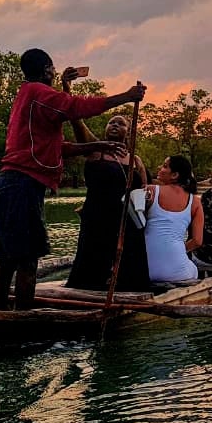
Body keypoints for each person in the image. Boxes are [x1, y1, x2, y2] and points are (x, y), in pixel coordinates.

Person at [0, 49, 145, 310]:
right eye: (53, 69)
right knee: (26, 259)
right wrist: (126, 97)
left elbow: (61, 147)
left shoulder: (29, 96)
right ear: (48, 69)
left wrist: (101, 145)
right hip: (21, 184)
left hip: (13, 183)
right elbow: (74, 108)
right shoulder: (38, 93)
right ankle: (23, 322)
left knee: (10, 258)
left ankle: (0, 312)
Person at [64, 90, 150, 292]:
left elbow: (144, 189)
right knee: (93, 258)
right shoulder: (95, 150)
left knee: (129, 261)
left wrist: (145, 197)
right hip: (98, 215)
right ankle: (87, 291)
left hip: (125, 218)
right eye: (111, 122)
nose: (114, 125)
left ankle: (126, 290)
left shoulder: (134, 160)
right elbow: (77, 121)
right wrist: (67, 89)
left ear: (128, 132)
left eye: (120, 124)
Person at [144, 155, 203, 283]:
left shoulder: (151, 191)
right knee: (193, 269)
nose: (160, 168)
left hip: (144, 271)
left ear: (175, 175)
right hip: (178, 273)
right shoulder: (195, 201)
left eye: (165, 166)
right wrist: (178, 250)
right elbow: (197, 241)